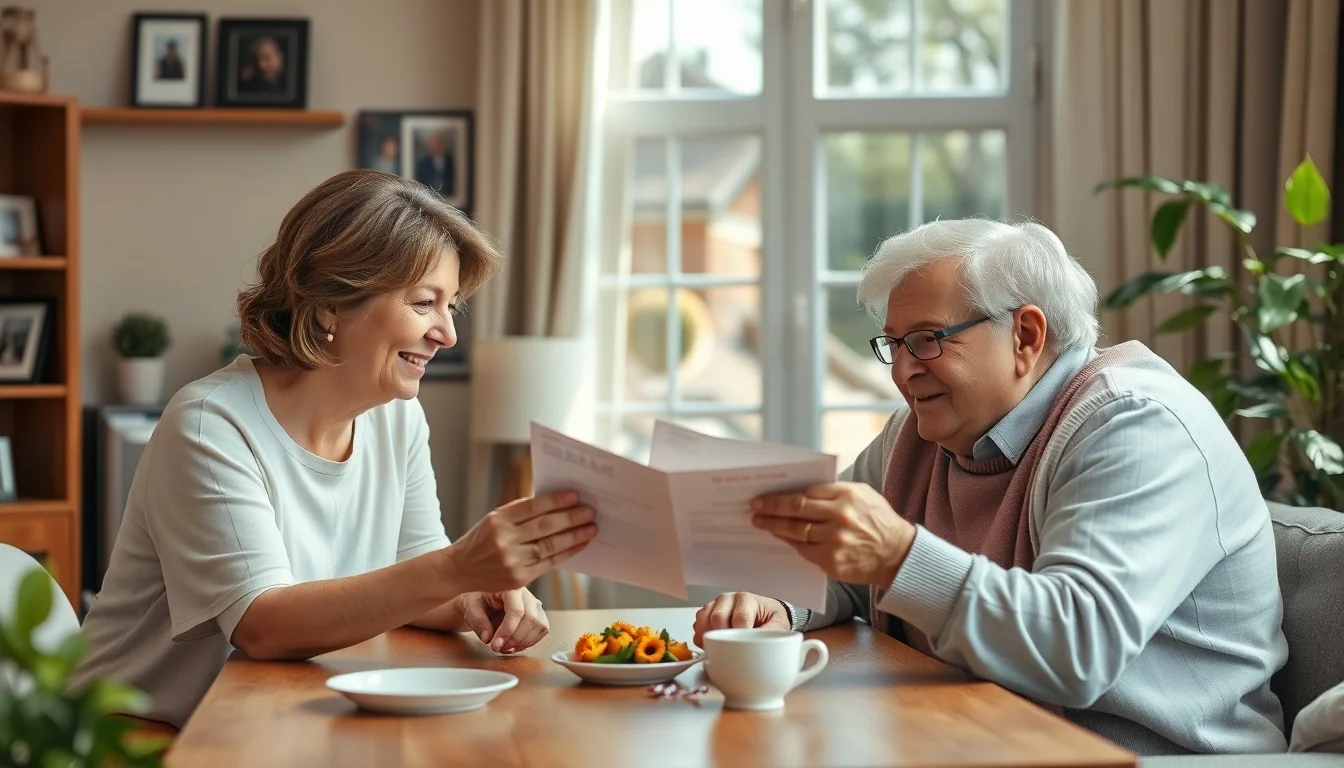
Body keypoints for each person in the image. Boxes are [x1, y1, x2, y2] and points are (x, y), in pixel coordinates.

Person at [693, 218, 1288, 756]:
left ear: (1026, 336)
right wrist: (779, 603)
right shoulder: (918, 433)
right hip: (975, 738)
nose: (903, 371)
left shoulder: (1134, 425)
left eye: (928, 339)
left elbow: (1077, 649)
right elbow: (842, 564)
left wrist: (899, 557)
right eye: (894, 345)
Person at [72, 169, 598, 729]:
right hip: (130, 737)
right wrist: (458, 569)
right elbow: (262, 625)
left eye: (452, 308)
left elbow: (413, 571)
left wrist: (472, 597)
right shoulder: (211, 425)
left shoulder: (397, 418)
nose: (446, 333)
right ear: (330, 305)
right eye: (425, 303)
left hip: (260, 722)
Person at [415, 131, 456, 197]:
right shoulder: (423, 163)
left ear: (442, 144)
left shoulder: (450, 160)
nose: (435, 146)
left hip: (448, 196)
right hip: (429, 197)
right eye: (432, 144)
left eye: (436, 143)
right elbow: (420, 182)